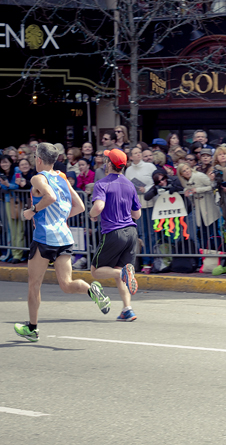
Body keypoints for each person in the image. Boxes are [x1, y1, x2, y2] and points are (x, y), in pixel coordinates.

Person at [13, 143, 110, 342]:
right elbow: (80, 206)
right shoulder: (62, 178)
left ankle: (32, 329)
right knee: (66, 284)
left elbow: (50, 196)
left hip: (44, 238)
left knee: (34, 285)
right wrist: (58, 219)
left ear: (39, 159)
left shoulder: (37, 178)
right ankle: (92, 290)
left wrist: (33, 211)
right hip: (64, 238)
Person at [89, 149, 142, 322]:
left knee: (96, 272)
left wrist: (92, 214)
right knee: (119, 269)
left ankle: (123, 276)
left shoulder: (102, 183)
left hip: (113, 232)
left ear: (110, 164)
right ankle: (127, 309)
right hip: (131, 233)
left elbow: (98, 207)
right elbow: (137, 214)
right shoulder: (129, 184)